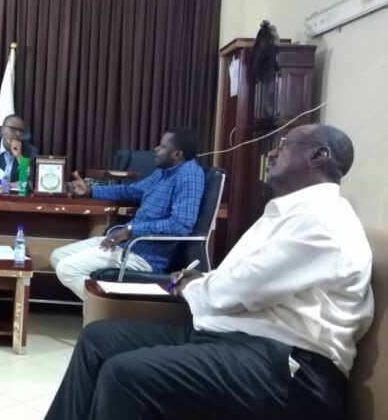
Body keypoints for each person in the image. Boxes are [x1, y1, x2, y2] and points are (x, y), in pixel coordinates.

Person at [45, 124, 374, 420]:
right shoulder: (289, 212)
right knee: (97, 339)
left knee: (124, 375)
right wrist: (203, 280)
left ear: (318, 156)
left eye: (284, 145)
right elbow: (244, 277)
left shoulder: (321, 221)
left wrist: (192, 286)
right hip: (237, 339)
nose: (272, 153)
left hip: (290, 368)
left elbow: (240, 289)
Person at [50, 128, 205, 300]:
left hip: (145, 255)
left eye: (162, 146)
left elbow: (181, 225)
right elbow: (132, 190)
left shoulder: (189, 176)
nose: (156, 149)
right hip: (128, 244)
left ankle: (108, 310)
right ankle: (103, 306)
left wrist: (131, 230)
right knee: (58, 256)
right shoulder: (163, 173)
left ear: (177, 154)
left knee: (67, 269)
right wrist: (90, 191)